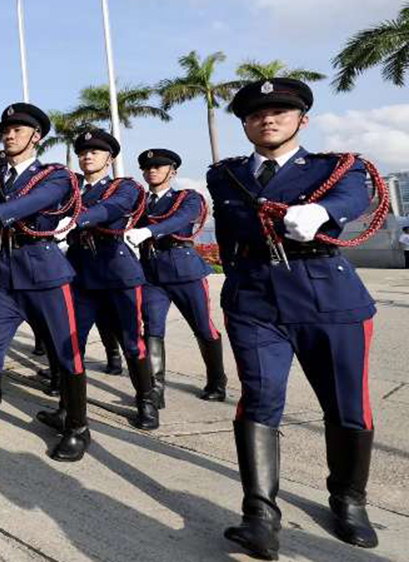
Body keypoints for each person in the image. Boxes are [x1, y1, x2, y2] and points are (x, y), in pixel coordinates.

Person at [210, 78, 381, 558]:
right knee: (260, 400)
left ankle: (349, 498)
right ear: (245, 124)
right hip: (255, 301)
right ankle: (260, 515)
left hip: (328, 298)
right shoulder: (224, 175)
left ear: (302, 119)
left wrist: (322, 212)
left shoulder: (336, 167)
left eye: (281, 111)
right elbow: (228, 235)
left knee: (347, 405)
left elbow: (354, 198)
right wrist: (235, 285)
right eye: (257, 114)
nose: (269, 118)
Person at [0, 102, 85, 466]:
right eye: (6, 129)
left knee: (66, 353)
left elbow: (39, 201)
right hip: (3, 276)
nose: (9, 134)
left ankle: (77, 427)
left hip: (45, 273)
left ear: (37, 136)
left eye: (18, 128)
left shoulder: (55, 176)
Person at [40, 129, 159, 431]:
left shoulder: (124, 187)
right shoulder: (69, 190)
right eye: (83, 152)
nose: (87, 156)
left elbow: (113, 209)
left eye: (95, 151)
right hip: (80, 276)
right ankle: (68, 408)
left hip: (118, 275)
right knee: (70, 345)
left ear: (110, 158)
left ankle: (147, 401)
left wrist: (76, 220)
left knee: (133, 343)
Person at [124, 149, 226, 406]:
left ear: (173, 171)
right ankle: (155, 390)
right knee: (152, 329)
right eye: (147, 168)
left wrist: (147, 231)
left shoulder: (186, 198)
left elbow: (181, 219)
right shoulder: (140, 203)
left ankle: (217, 380)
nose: (152, 171)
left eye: (158, 167)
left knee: (203, 326)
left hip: (184, 270)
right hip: (151, 273)